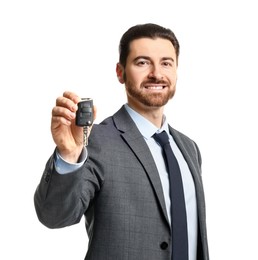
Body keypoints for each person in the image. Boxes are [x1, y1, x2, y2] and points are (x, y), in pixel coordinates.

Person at [34, 23, 209, 260]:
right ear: (120, 72)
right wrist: (68, 154)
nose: (156, 73)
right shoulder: (96, 140)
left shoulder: (189, 148)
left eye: (166, 63)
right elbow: (54, 215)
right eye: (142, 62)